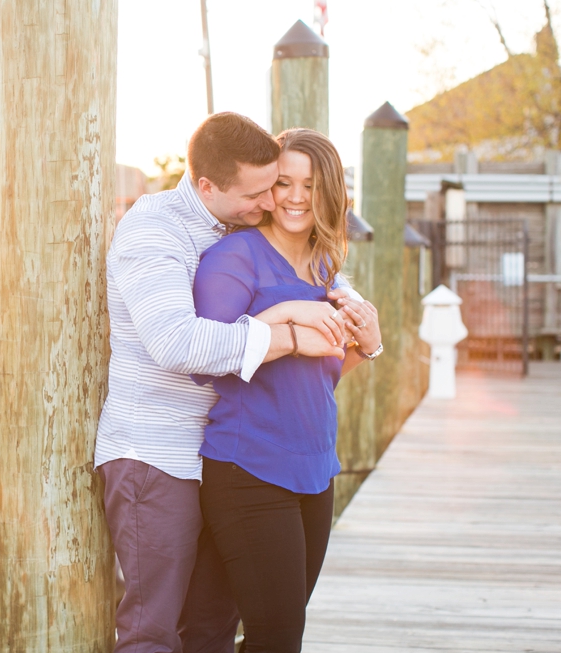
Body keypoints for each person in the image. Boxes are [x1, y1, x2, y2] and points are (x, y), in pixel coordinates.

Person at [95, 112, 355, 653]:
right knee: (152, 628)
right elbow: (177, 343)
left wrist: (350, 316)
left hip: (220, 456)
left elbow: (299, 267)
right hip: (157, 455)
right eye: (260, 192)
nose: (270, 203)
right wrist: (286, 332)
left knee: (211, 627)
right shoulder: (153, 229)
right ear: (208, 186)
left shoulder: (232, 222)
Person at [192, 128, 383, 652]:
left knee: (279, 631)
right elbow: (205, 361)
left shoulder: (326, 269)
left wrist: (365, 347)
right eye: (284, 182)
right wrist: (284, 320)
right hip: (248, 468)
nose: (297, 197)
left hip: (317, 471)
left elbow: (320, 377)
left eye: (311, 184)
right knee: (276, 637)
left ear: (332, 193)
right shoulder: (236, 256)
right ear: (267, 189)